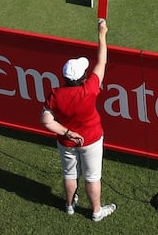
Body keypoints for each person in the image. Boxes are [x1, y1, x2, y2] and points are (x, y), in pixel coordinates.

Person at [41, 19, 117, 222]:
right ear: (83, 77)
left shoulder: (56, 94)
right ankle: (96, 211)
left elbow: (47, 121)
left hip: (66, 141)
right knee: (92, 177)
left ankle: (69, 206)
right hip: (91, 139)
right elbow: (101, 62)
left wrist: (67, 132)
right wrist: (102, 34)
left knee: (69, 174)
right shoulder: (89, 89)